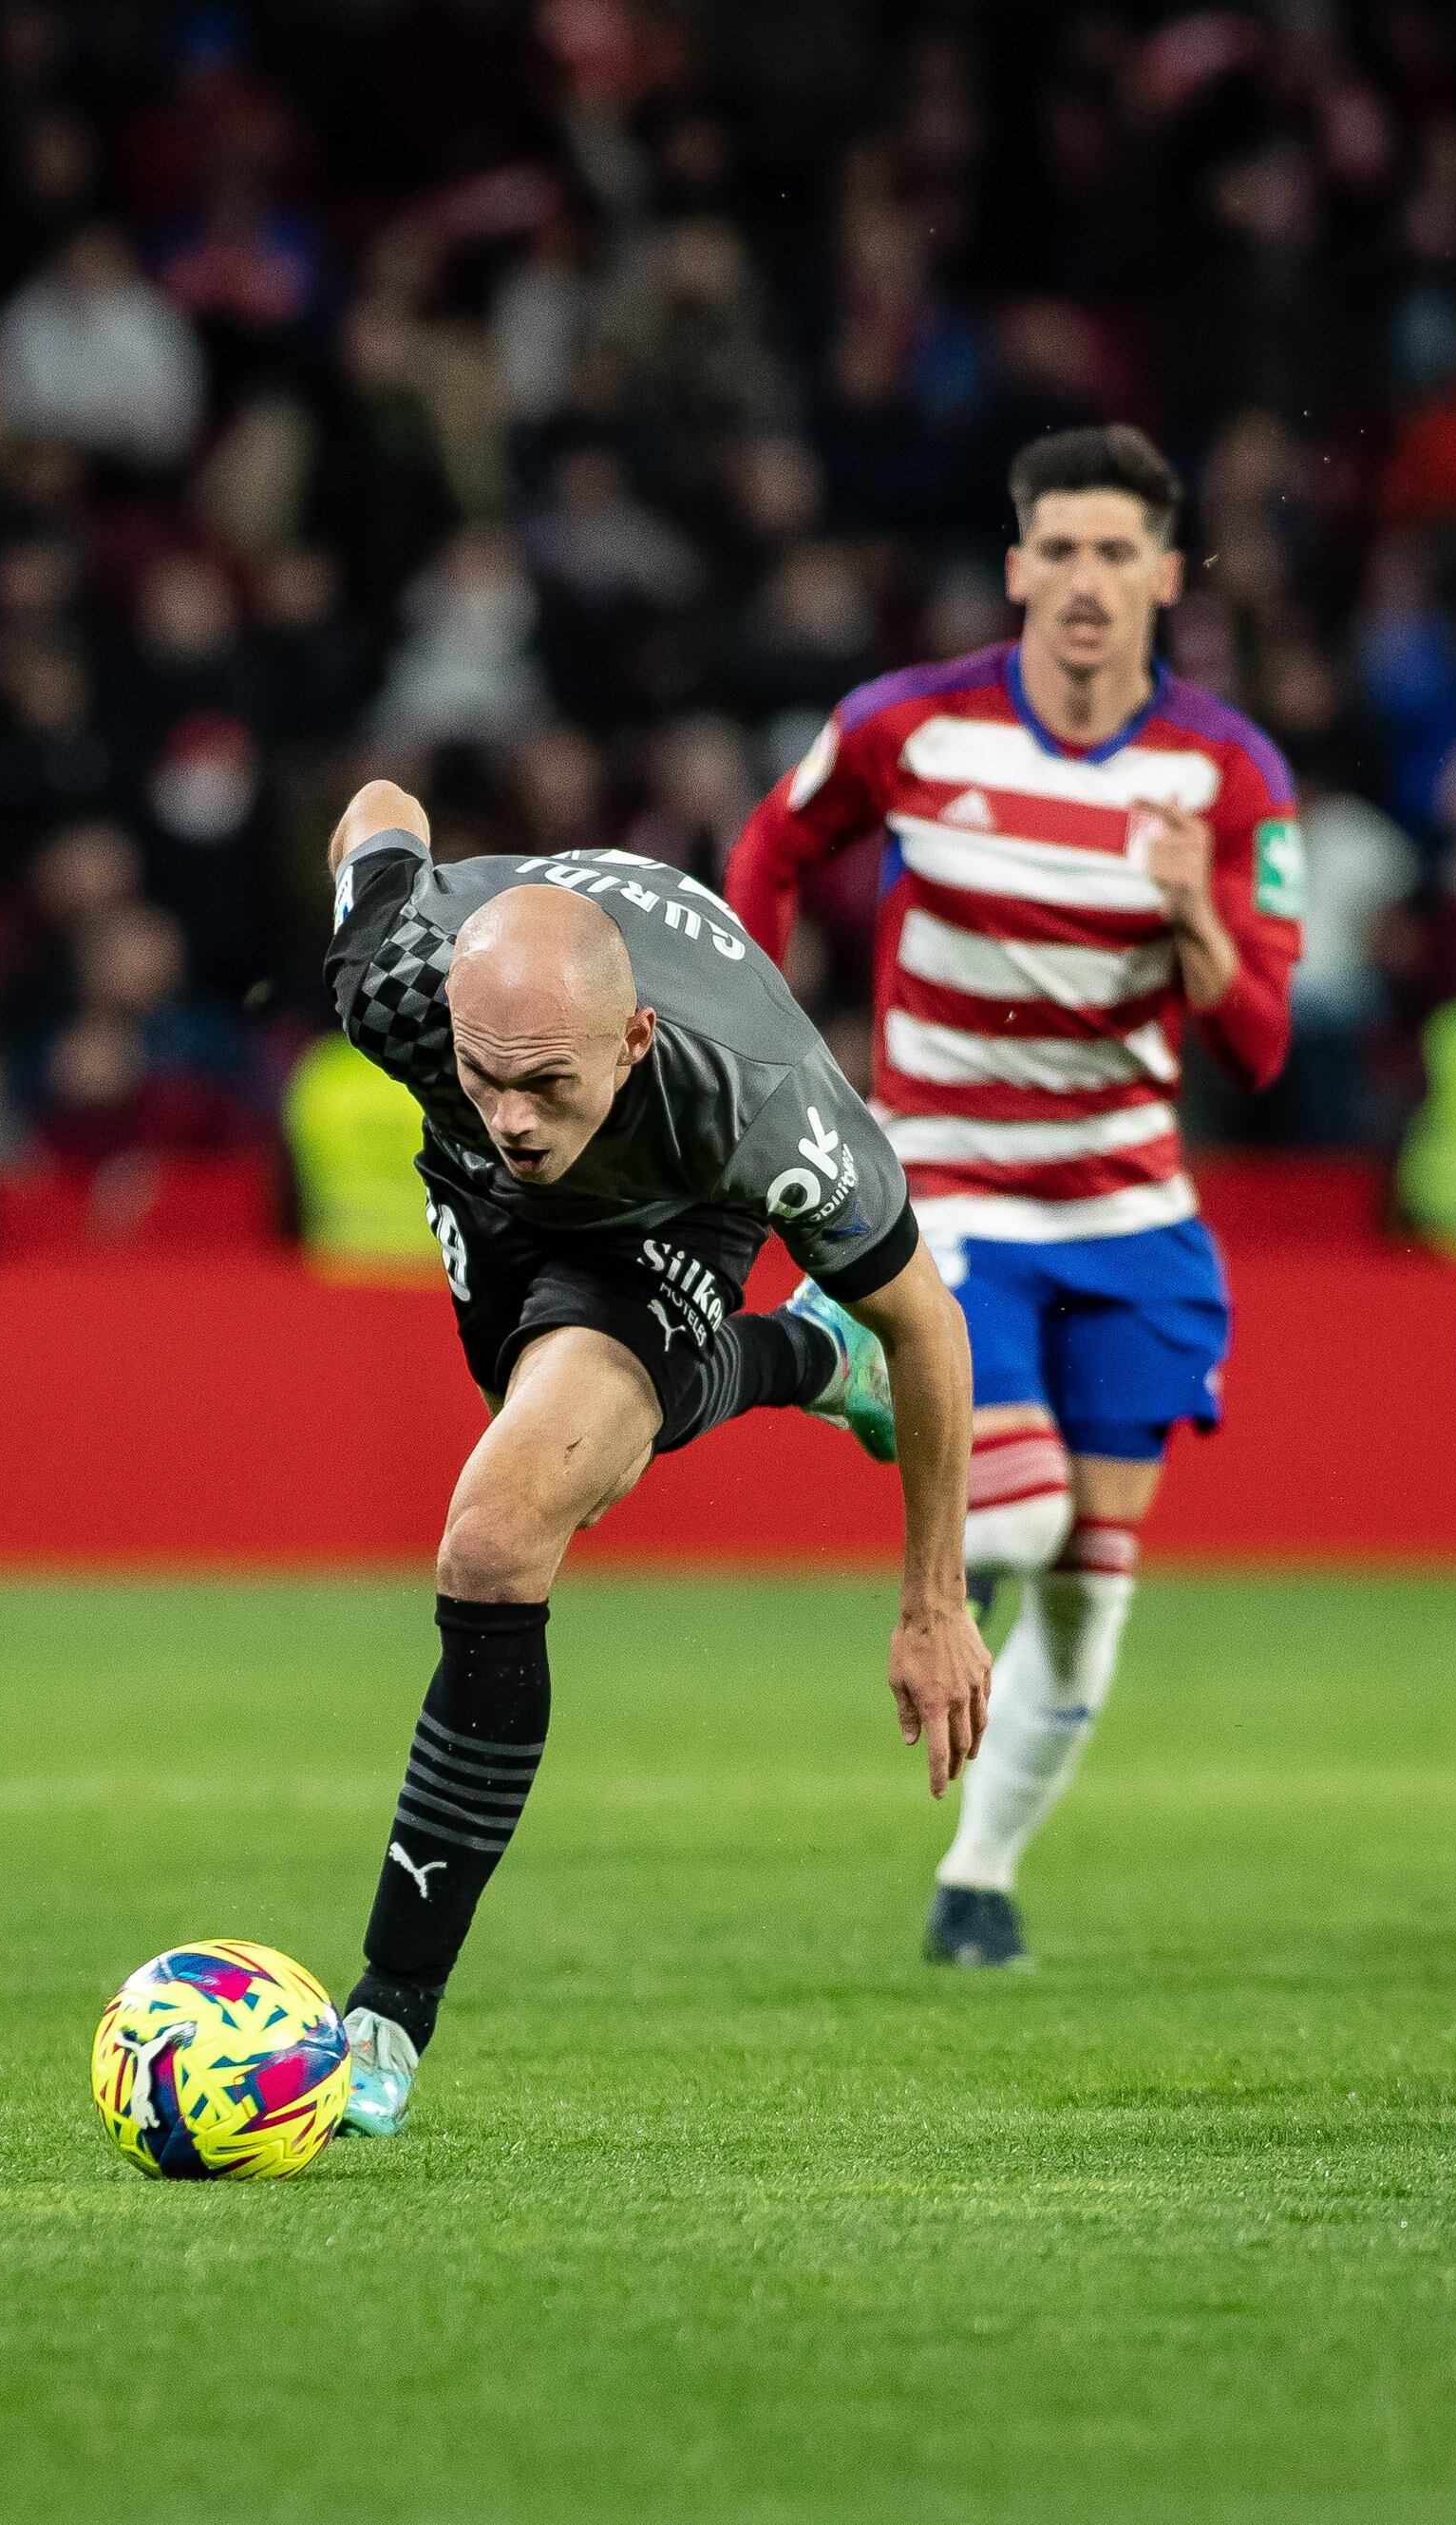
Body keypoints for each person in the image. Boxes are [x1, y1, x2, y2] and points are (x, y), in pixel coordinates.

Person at [316, 774, 990, 2136]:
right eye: (483, 1074)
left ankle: (388, 2006)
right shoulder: (396, 979)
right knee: (589, 1468)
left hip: (672, 1208)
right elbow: (384, 804)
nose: (510, 1113)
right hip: (500, 1232)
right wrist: (497, 1089)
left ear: (628, 1040)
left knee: (500, 1533)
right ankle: (799, 1361)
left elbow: (928, 1324)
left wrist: (934, 1600)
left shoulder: (761, 1105)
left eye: (547, 1081)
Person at [724, 425, 1304, 1969]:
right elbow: (769, 850)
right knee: (1034, 1509)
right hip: (950, 1185)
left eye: (1120, 552)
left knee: (1091, 1590)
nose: (1088, 581)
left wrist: (1193, 904)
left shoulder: (1229, 773)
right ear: (1016, 569)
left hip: (1128, 1214)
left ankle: (977, 1881)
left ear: (1169, 576)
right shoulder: (908, 727)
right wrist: (775, 1047)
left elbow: (1258, 1040)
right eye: (1060, 550)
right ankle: (879, 1396)